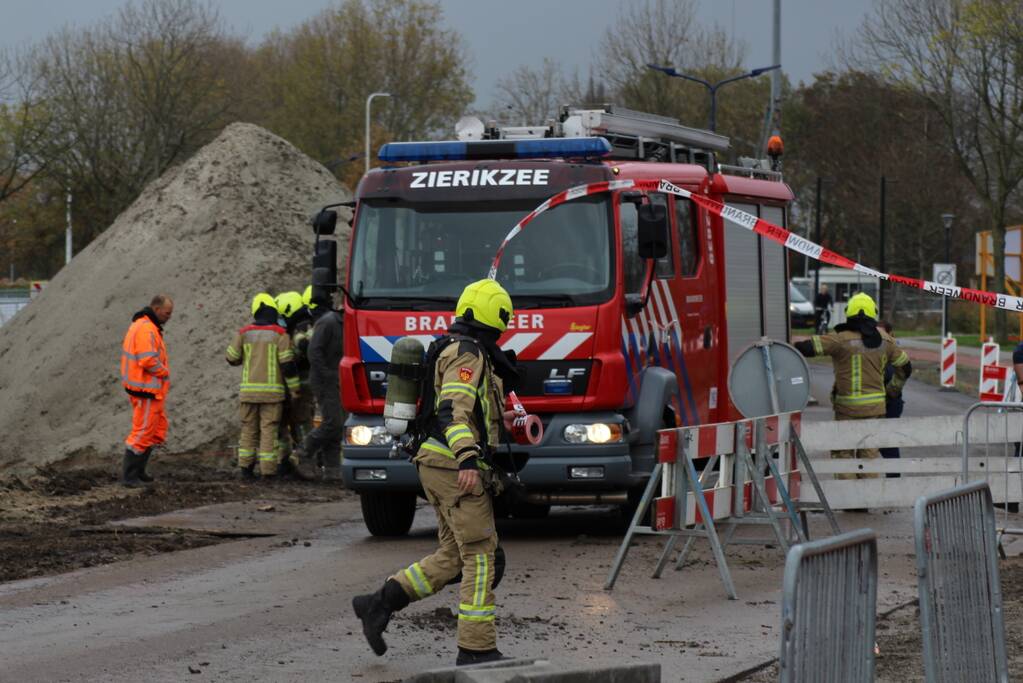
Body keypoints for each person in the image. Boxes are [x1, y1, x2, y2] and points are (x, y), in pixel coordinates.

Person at [352, 279, 519, 667]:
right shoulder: (469, 353)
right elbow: (453, 412)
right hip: (452, 466)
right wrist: (467, 461)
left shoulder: (450, 347)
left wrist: (502, 419)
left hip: (433, 463)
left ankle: (378, 603)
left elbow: (467, 410)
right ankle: (476, 649)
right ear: (497, 319)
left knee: (453, 553)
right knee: (481, 555)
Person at [795, 293, 911, 481]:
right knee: (869, 454)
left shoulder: (839, 340)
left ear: (848, 313)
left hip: (846, 409)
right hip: (875, 409)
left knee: (844, 454)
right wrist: (892, 390)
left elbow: (806, 348)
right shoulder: (886, 341)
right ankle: (866, 500)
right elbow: (905, 367)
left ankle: (849, 501)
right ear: (873, 313)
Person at [226, 293, 300, 479]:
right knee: (269, 431)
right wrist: (295, 389)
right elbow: (287, 365)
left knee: (248, 430)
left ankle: (246, 469)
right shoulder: (280, 335)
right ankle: (268, 472)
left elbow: (231, 357)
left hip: (248, 393)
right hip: (272, 395)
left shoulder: (244, 333)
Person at [119, 294, 173, 487]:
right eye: (167, 313)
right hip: (146, 389)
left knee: (154, 430)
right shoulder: (146, 329)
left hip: (147, 389)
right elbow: (148, 360)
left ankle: (139, 471)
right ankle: (130, 476)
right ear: (157, 309)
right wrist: (164, 372)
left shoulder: (145, 326)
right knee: (143, 432)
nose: (169, 317)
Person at [300, 290, 344, 481]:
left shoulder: (344, 323)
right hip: (325, 380)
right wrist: (327, 374)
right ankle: (303, 452)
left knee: (338, 424)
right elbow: (314, 351)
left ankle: (332, 469)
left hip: (338, 380)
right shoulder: (328, 322)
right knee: (332, 422)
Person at [274, 291, 315, 477]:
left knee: (301, 422)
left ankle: (302, 461)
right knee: (299, 422)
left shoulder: (301, 328)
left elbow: (302, 353)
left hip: (301, 383)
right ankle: (295, 460)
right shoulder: (305, 325)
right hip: (301, 383)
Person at [878, 320, 906, 476]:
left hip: (890, 405)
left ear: (890, 334)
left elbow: (900, 373)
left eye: (882, 333)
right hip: (875, 404)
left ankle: (894, 480)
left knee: (888, 444)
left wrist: (890, 393)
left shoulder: (893, 351)